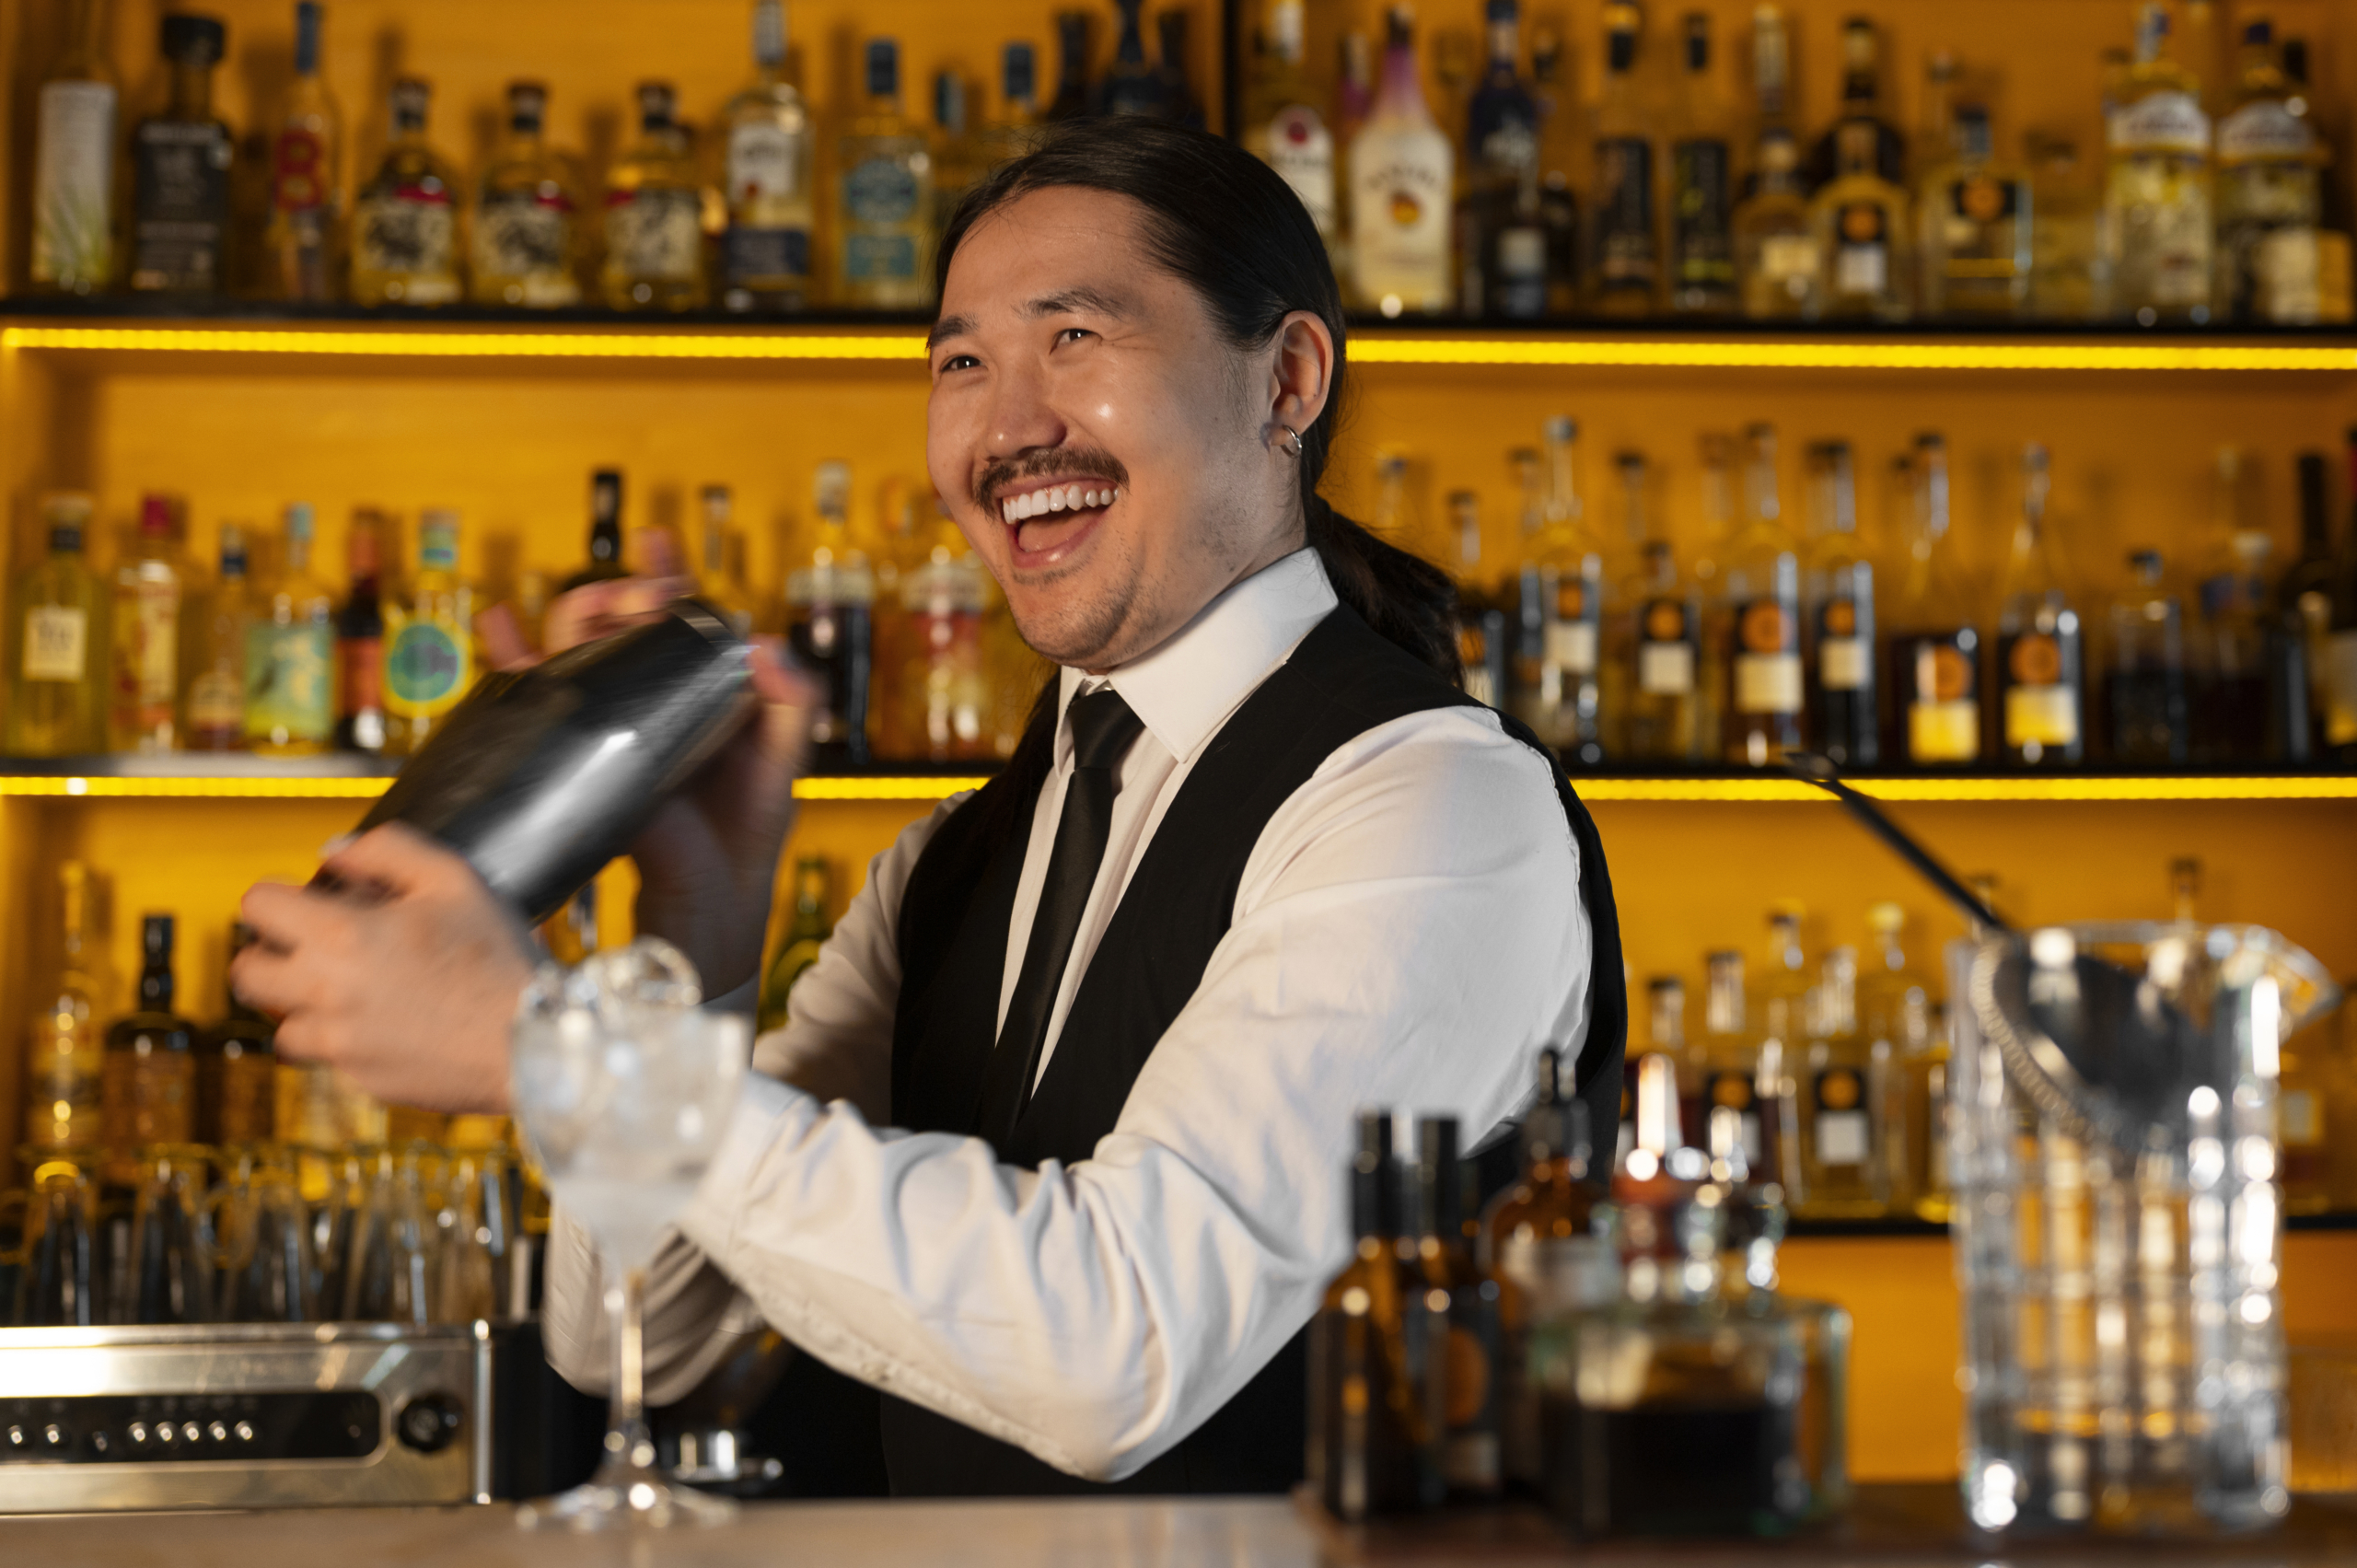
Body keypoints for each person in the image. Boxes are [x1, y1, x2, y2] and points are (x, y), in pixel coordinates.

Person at [231, 119, 1625, 1495]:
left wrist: (555, 1054)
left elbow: (1118, 1350)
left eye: (1074, 337)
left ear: (1288, 378)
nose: (1008, 426)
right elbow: (633, 1332)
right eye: (962, 362)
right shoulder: (953, 863)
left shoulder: (1432, 803)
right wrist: (700, 923)